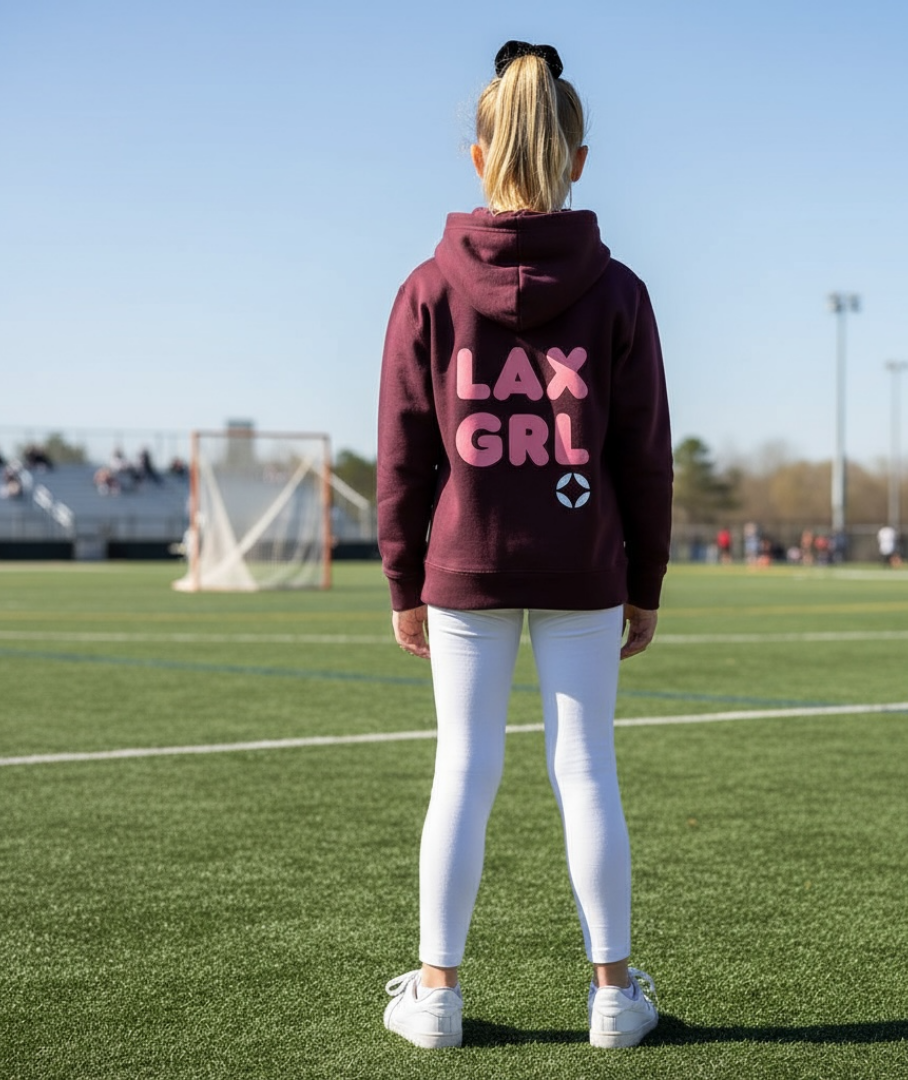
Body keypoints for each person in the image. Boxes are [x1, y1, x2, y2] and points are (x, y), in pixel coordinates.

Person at [376, 40, 673, 1052]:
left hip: (463, 563)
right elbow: (644, 456)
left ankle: (437, 994)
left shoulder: (427, 286)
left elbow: (405, 452)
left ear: (476, 157)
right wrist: (650, 582)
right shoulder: (620, 289)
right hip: (585, 562)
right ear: (578, 161)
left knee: (462, 768)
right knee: (586, 769)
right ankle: (614, 995)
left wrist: (400, 579)